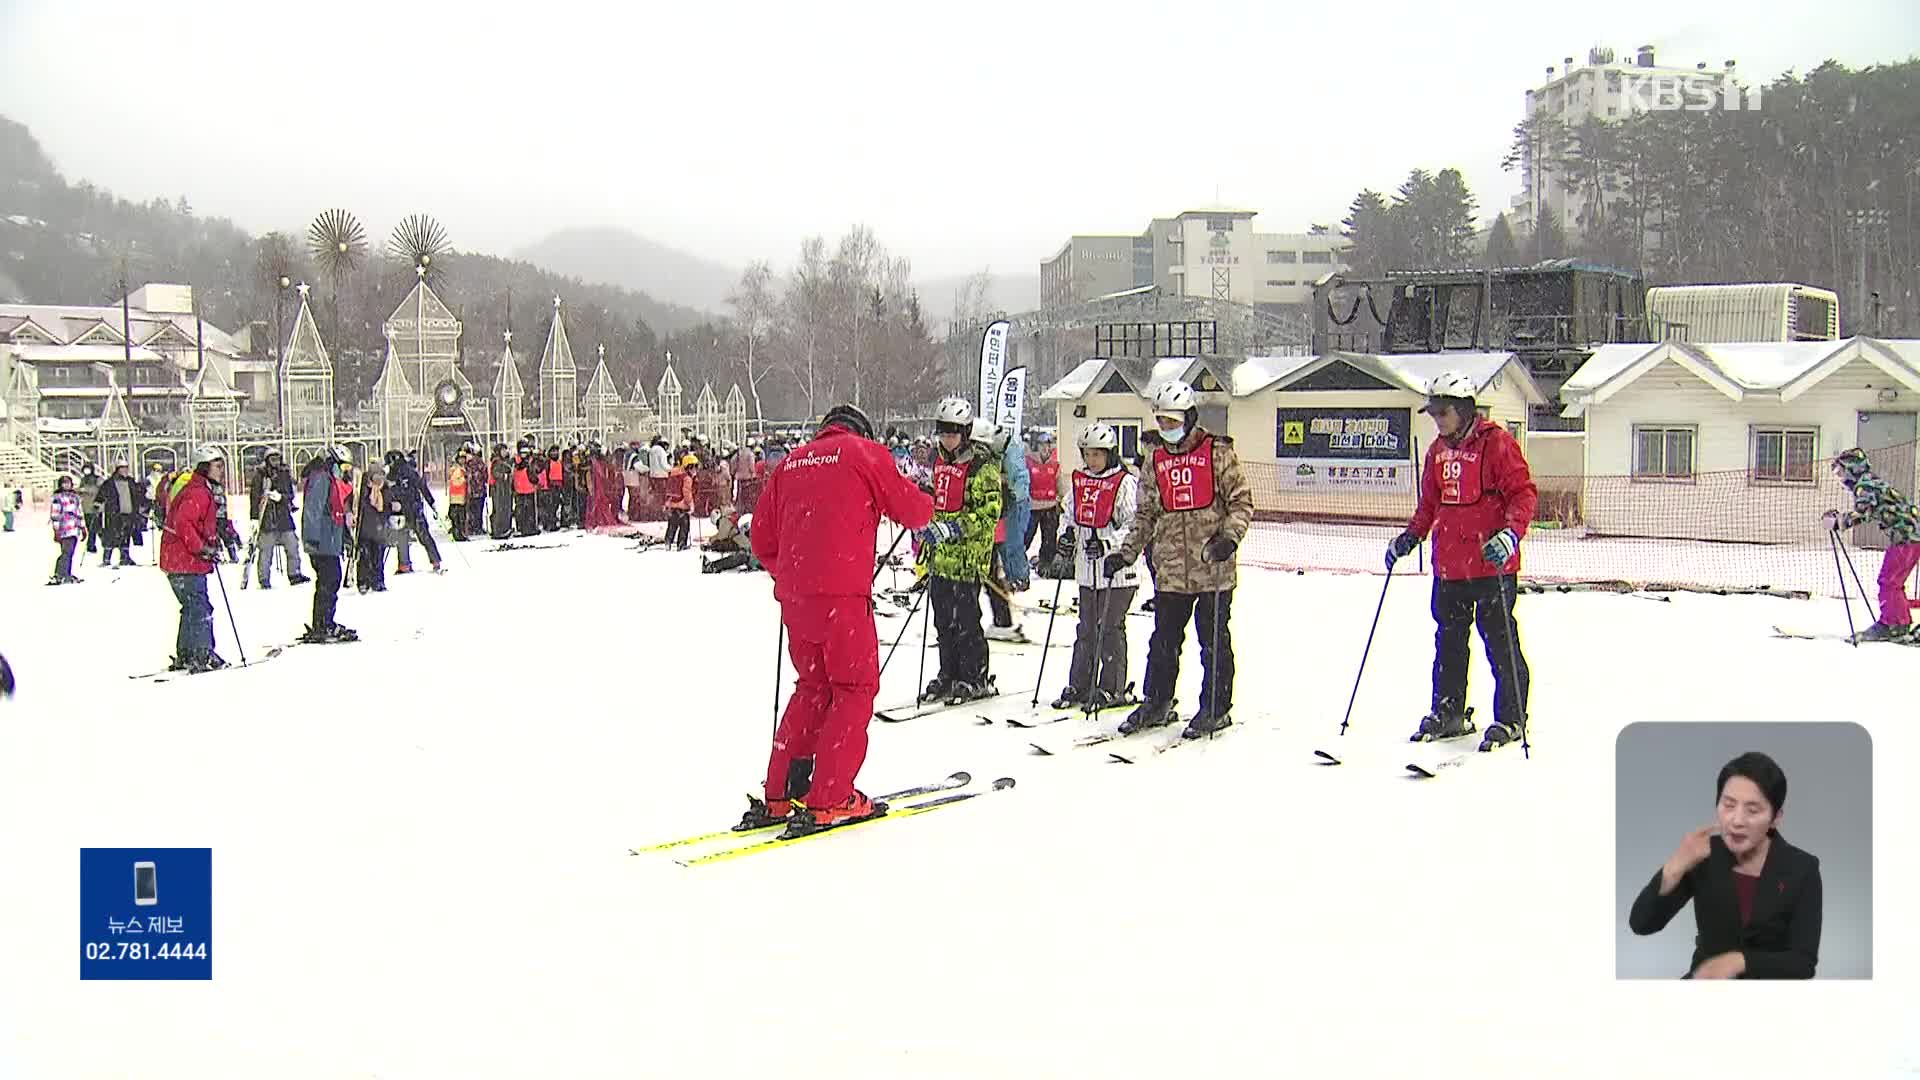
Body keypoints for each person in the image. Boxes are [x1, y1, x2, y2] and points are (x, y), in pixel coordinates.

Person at [742, 403, 934, 836]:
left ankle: (780, 792)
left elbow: (761, 538)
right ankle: (830, 797)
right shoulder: (864, 455)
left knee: (812, 688)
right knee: (853, 689)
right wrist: (929, 503)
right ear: (860, 432)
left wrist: (793, 575)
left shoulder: (792, 462)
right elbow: (912, 511)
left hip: (797, 600)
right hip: (843, 599)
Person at [1386, 371, 1537, 752]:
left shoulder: (1498, 444)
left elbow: (1523, 494)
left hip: (1491, 564)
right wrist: (1410, 537)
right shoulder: (1437, 452)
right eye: (1433, 412)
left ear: (1465, 409)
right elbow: (1429, 505)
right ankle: (1449, 710)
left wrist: (1511, 532)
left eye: (1443, 411)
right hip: (1450, 565)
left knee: (1500, 642)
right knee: (1449, 641)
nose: (1437, 419)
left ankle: (1511, 717)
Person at [1104, 379, 1254, 739]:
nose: (1167, 429)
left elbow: (1241, 502)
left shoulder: (1217, 452)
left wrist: (1229, 539)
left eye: (1173, 421)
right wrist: (1125, 554)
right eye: (1162, 422)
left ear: (1189, 417)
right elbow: (1146, 514)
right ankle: (1157, 701)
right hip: (1171, 569)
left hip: (1212, 567)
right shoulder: (1155, 461)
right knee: (1164, 640)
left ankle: (1215, 708)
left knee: (1213, 640)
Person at [1628, 752, 1822, 979]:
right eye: (1728, 805)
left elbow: (1803, 963)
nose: (1737, 820)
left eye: (1752, 810)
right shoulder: (1702, 855)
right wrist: (1675, 865)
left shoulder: (1802, 868)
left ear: (1776, 817)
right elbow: (1642, 925)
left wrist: (1739, 961)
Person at [919, 399, 1003, 705]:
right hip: (941, 558)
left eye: (953, 432)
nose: (947, 438)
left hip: (969, 557)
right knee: (943, 620)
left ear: (966, 432)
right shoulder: (939, 461)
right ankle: (949, 673)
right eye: (942, 431)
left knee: (966, 619)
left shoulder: (982, 466)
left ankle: (974, 675)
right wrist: (926, 518)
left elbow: (989, 513)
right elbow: (938, 499)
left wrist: (955, 528)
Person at [1052, 423, 1142, 710]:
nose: (1092, 461)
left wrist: (1109, 544)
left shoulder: (1124, 482)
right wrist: (1065, 537)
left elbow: (1133, 523)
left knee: (1110, 627)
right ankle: (1080, 682)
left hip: (1116, 571)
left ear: (1110, 454)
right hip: (1087, 569)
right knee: (1087, 628)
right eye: (1087, 454)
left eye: (1097, 455)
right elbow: (1069, 515)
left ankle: (1111, 686)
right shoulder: (1080, 482)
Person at [1825, 447, 1918, 641]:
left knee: (1889, 581)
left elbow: (1862, 513)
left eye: (1841, 472)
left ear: (1852, 469)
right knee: (1893, 581)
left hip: (1906, 537)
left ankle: (1892, 625)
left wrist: (1839, 522)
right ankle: (1898, 622)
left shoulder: (1866, 486)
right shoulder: (1870, 483)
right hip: (1909, 536)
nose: (1841, 478)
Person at [158, 445, 228, 673]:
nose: (221, 471)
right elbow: (184, 523)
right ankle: (201, 653)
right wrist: (202, 548)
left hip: (179, 559)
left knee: (191, 607)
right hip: (184, 560)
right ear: (205, 467)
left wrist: (211, 540)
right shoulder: (197, 491)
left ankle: (188, 652)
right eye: (217, 466)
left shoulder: (199, 489)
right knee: (199, 607)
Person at [298, 446, 358, 643]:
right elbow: (313, 509)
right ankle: (322, 623)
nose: (346, 471)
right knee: (329, 579)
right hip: (322, 541)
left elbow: (335, 511)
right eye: (344, 466)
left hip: (329, 540)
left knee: (330, 580)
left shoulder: (329, 479)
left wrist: (344, 538)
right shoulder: (322, 478)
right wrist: (312, 537)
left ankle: (324, 621)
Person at [984, 423, 1033, 643]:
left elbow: (1019, 486)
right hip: (995, 519)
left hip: (1003, 516)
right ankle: (1001, 618)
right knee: (990, 574)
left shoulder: (1011, 454)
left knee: (993, 572)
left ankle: (1003, 619)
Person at [250, 450, 307, 588]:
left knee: (292, 546)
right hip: (267, 519)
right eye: (272, 459)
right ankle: (264, 578)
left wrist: (281, 497)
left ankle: (294, 573)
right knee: (265, 551)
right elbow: (254, 497)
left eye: (277, 459)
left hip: (283, 518)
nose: (275, 462)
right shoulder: (260, 476)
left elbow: (290, 494)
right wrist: (254, 517)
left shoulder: (284, 474)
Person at [385, 450, 443, 573]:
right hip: (414, 508)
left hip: (402, 510)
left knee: (402, 537)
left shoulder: (393, 475)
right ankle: (435, 560)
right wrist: (431, 502)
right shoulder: (410, 472)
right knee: (424, 536)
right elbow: (422, 487)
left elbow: (390, 493)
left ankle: (404, 564)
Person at [92, 461, 145, 567]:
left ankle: (125, 557)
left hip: (129, 512)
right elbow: (101, 494)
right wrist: (98, 504)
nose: (125, 470)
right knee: (111, 536)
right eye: (122, 468)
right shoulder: (110, 483)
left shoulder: (130, 482)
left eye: (126, 468)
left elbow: (137, 494)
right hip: (114, 513)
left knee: (126, 536)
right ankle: (107, 558)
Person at [355, 463, 396, 594]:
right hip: (365, 528)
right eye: (376, 477)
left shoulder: (385, 489)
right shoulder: (363, 489)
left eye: (381, 477)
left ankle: (378, 580)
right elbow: (356, 504)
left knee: (378, 556)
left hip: (380, 528)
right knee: (365, 556)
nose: (379, 480)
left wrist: (393, 507)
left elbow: (388, 505)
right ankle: (363, 581)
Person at [1026, 433, 1063, 570]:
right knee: (1027, 536)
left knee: (1049, 538)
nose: (1045, 449)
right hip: (1032, 506)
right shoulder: (1028, 462)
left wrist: (1061, 500)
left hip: (1050, 506)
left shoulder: (1055, 465)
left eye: (1047, 446)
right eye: (1042, 445)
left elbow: (1060, 485)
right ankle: (1018, 563)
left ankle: (1046, 563)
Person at [49, 474, 84, 585]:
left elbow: (79, 513)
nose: (66, 485)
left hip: (74, 528)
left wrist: (82, 527)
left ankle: (66, 573)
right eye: (64, 483)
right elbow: (55, 515)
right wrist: (56, 530)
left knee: (70, 552)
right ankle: (60, 573)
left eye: (68, 483)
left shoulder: (75, 497)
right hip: (64, 528)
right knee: (66, 552)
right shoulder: (57, 498)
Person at [664, 453, 696, 549]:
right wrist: (691, 505)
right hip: (682, 506)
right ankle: (682, 544)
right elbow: (687, 493)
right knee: (684, 527)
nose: (695, 470)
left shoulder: (674, 475)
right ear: (689, 467)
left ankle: (668, 541)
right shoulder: (687, 478)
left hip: (672, 504)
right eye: (694, 467)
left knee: (672, 525)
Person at [489, 443, 515, 540]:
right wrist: (505, 476)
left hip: (504, 489)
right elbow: (495, 473)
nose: (505, 452)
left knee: (505, 509)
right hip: (499, 489)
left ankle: (504, 528)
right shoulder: (497, 462)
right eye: (503, 450)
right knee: (500, 509)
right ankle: (499, 530)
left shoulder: (504, 461)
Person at [77, 463, 102, 557]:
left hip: (96, 507)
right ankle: (94, 543)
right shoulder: (83, 480)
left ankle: (91, 545)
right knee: (90, 526)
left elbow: (100, 490)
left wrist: (86, 490)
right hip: (86, 508)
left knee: (94, 527)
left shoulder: (97, 479)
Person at [446, 447, 470, 541]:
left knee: (462, 517)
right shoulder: (457, 469)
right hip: (457, 497)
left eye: (464, 458)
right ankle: (458, 534)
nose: (463, 460)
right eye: (461, 458)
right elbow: (455, 482)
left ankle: (461, 533)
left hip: (462, 496)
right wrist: (464, 479)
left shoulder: (463, 468)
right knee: (458, 518)